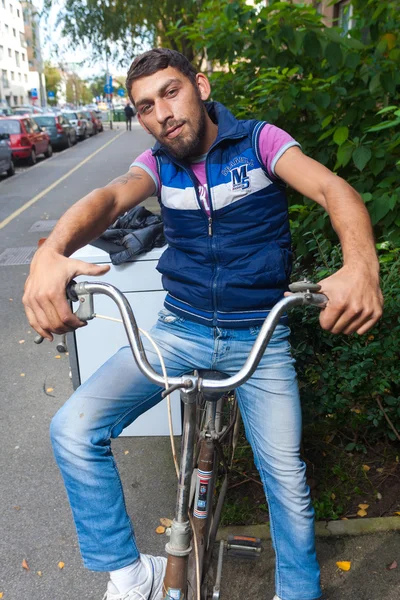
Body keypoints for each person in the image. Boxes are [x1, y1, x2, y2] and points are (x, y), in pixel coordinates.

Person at [23, 48, 383, 600]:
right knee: (72, 429)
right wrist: (50, 252)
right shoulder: (159, 164)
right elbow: (109, 197)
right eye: (145, 106)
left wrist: (360, 265)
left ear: (201, 86)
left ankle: (297, 593)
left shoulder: (259, 142)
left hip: (259, 338)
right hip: (179, 332)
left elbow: (335, 191)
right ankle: (130, 573)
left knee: (286, 481)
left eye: (171, 92)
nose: (162, 113)